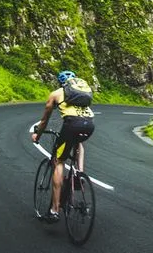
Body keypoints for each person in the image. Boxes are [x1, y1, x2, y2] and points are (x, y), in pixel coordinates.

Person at [32, 70, 95, 223]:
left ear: (60, 83)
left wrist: (37, 136)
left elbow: (44, 121)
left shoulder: (56, 94)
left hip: (72, 125)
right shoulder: (81, 94)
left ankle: (54, 210)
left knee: (59, 161)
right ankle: (79, 174)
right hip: (89, 125)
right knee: (78, 142)